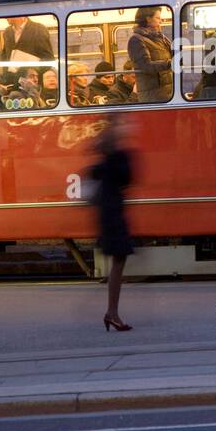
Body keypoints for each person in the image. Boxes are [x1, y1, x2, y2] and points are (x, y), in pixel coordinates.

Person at [87, 117, 135, 332]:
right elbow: (127, 178)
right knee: (118, 262)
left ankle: (112, 312)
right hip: (113, 214)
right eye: (123, 124)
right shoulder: (117, 157)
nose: (127, 127)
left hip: (108, 213)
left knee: (118, 262)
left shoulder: (104, 161)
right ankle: (111, 313)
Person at [127, 6, 173, 103]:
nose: (160, 21)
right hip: (153, 96)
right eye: (158, 18)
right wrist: (169, 64)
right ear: (148, 19)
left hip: (166, 93)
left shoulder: (160, 38)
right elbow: (145, 66)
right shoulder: (136, 40)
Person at [1, 15, 56, 87]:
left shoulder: (38, 29)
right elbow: (5, 58)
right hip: (13, 85)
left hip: (32, 85)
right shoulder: (7, 33)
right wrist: (5, 81)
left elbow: (48, 59)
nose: (5, 17)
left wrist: (32, 73)